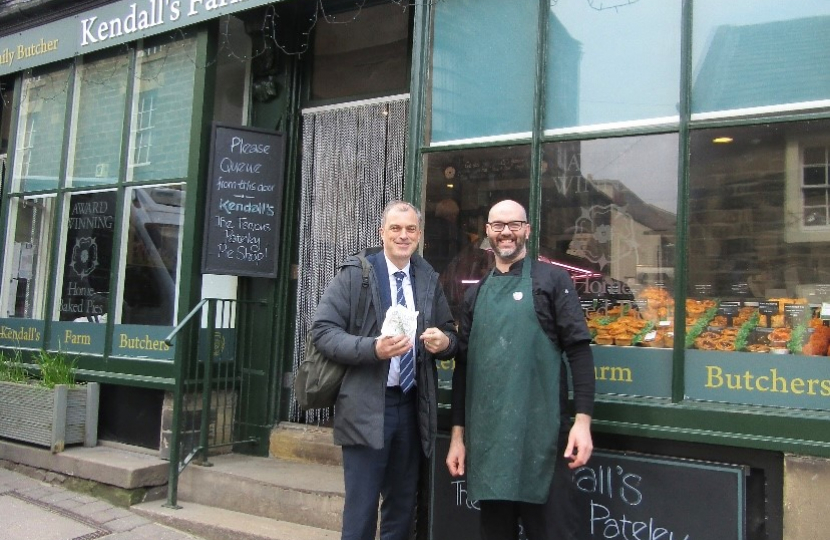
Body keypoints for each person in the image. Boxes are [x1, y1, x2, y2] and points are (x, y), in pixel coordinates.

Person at [445, 199, 595, 540]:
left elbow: (579, 353)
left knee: (553, 532)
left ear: (526, 230)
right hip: (490, 443)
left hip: (543, 439)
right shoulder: (476, 294)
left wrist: (582, 421)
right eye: (498, 226)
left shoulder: (553, 281)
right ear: (487, 233)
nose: (506, 233)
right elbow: (463, 369)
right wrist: (458, 437)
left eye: (514, 225)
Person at [311, 200, 459, 540]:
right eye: (395, 228)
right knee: (361, 509)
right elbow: (322, 332)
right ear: (382, 233)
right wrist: (372, 348)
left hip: (411, 408)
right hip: (365, 407)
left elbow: (450, 333)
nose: (403, 236)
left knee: (402, 507)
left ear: (419, 235)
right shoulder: (356, 274)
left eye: (410, 229)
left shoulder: (427, 277)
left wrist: (444, 343)